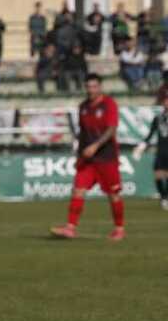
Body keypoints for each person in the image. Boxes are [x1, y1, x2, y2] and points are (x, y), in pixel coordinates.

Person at [51, 74, 125, 241]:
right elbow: (83, 134)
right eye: (88, 87)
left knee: (114, 194)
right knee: (78, 190)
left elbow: (111, 129)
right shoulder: (83, 106)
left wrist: (95, 146)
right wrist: (79, 156)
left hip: (107, 158)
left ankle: (119, 228)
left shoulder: (109, 104)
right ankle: (70, 228)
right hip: (88, 160)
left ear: (100, 87)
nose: (91, 90)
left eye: (94, 86)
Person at [133, 93, 168, 209]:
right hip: (161, 150)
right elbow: (150, 134)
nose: (166, 102)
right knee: (158, 175)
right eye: (165, 100)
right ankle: (164, 197)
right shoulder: (158, 118)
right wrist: (141, 147)